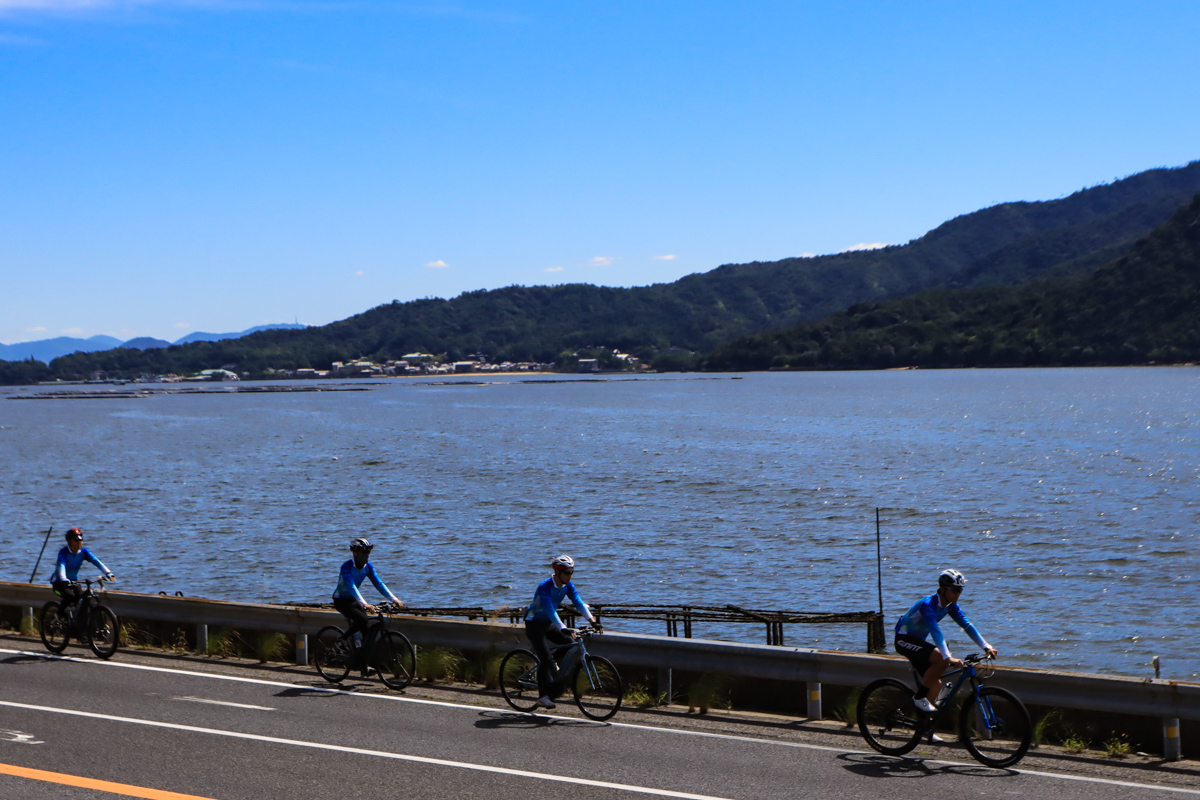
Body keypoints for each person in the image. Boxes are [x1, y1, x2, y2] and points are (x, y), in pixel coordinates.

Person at [894, 569, 997, 713]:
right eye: (955, 590)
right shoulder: (928, 605)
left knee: (936, 685)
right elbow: (936, 632)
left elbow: (967, 625)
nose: (958, 594)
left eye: (960, 590)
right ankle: (919, 698)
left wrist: (986, 647)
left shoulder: (951, 606)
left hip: (918, 643)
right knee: (942, 659)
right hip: (903, 640)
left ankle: (923, 730)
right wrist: (948, 657)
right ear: (943, 589)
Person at [523, 554, 602, 710]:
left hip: (548, 623)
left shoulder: (568, 586)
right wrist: (563, 627)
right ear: (558, 572)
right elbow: (550, 610)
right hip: (534, 624)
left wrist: (593, 621)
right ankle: (542, 697)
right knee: (545, 658)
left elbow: (578, 603)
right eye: (567, 572)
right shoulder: (545, 587)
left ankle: (553, 668)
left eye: (572, 572)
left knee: (569, 644)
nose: (570, 575)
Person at [331, 538, 403, 676]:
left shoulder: (368, 567)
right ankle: (343, 639)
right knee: (363, 620)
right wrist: (365, 604)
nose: (367, 556)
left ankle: (364, 667)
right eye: (365, 553)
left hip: (353, 599)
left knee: (367, 630)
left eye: (368, 553)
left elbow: (379, 584)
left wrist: (394, 599)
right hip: (341, 600)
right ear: (357, 554)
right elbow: (351, 586)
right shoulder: (346, 567)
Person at [49, 528, 116, 616]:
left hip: (74, 581)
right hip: (59, 583)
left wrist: (108, 573)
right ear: (69, 541)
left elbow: (96, 561)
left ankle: (76, 622)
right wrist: (64, 578)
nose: (79, 542)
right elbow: (61, 565)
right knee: (70, 597)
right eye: (76, 540)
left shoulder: (83, 552)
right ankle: (59, 615)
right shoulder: (63, 552)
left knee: (83, 598)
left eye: (81, 540)